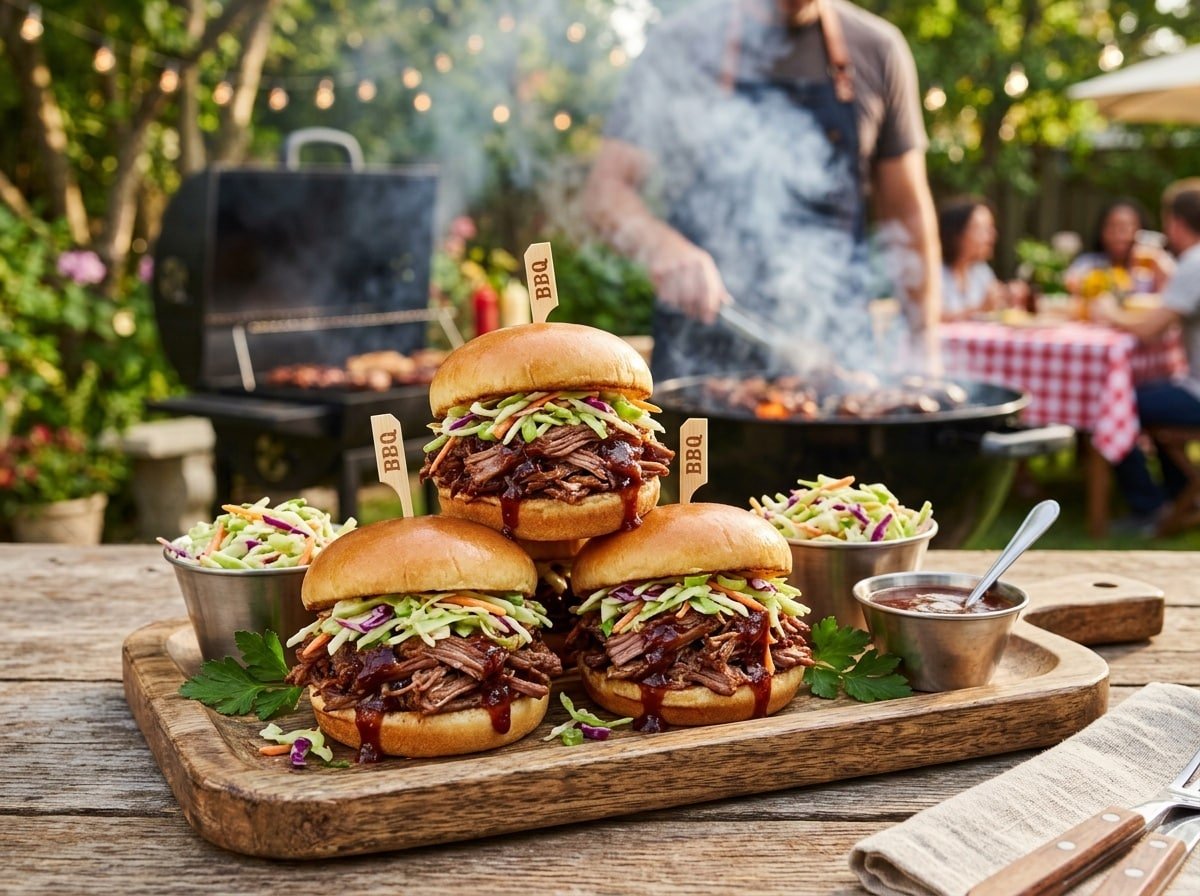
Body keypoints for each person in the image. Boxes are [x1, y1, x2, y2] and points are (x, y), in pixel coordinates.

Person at [583, 0, 939, 380]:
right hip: (703, 356)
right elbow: (606, 192)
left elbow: (909, 216)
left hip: (836, 358)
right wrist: (662, 246)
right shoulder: (680, 45)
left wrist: (925, 346)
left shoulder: (877, 48)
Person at [1095, 181, 1200, 535]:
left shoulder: (1193, 263)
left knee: (1115, 402)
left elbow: (1148, 329)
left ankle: (1149, 508)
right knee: (1152, 395)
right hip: (1191, 384)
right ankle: (1181, 492)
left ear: (1173, 223)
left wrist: (1108, 312)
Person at [937, 197, 1029, 321]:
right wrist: (979, 308)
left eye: (991, 228)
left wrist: (1008, 298)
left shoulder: (981, 271)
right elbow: (930, 317)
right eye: (983, 229)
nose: (992, 236)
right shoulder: (933, 272)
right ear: (956, 234)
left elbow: (993, 310)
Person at [1064, 198, 1173, 298]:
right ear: (1101, 231)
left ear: (1141, 231)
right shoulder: (1090, 262)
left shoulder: (1154, 263)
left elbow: (1175, 294)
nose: (1118, 235)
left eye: (1126, 227)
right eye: (1112, 226)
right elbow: (1071, 280)